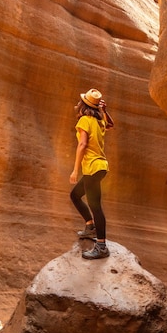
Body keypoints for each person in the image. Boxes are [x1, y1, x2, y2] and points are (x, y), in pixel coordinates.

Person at [70, 87, 114, 259]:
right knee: (75, 195)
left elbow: (82, 145)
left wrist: (75, 170)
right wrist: (104, 111)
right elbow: (110, 124)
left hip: (93, 168)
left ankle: (101, 246)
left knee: (96, 207)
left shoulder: (85, 121)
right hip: (99, 167)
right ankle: (90, 227)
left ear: (82, 104)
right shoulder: (99, 120)